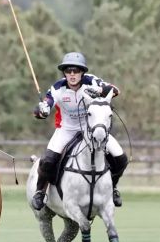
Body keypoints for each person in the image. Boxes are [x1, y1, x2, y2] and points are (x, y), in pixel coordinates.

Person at [30, 51, 128, 211]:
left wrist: (100, 91)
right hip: (66, 129)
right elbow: (43, 107)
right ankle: (40, 192)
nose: (72, 74)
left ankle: (113, 187)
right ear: (64, 73)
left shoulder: (92, 81)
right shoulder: (58, 87)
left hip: (91, 128)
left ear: (82, 72)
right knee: (48, 160)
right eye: (68, 70)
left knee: (121, 158)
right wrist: (43, 110)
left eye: (76, 70)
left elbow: (115, 90)